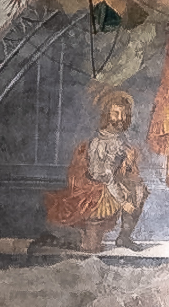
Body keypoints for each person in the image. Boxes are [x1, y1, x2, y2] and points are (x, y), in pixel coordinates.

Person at [42, 86, 148, 250]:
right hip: (96, 191)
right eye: (116, 113)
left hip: (111, 186)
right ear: (107, 115)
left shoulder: (120, 139)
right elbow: (103, 175)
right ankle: (69, 238)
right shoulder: (100, 143)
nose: (120, 118)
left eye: (123, 113)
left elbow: (122, 172)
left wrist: (128, 164)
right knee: (90, 248)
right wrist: (123, 201)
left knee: (140, 189)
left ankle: (124, 237)